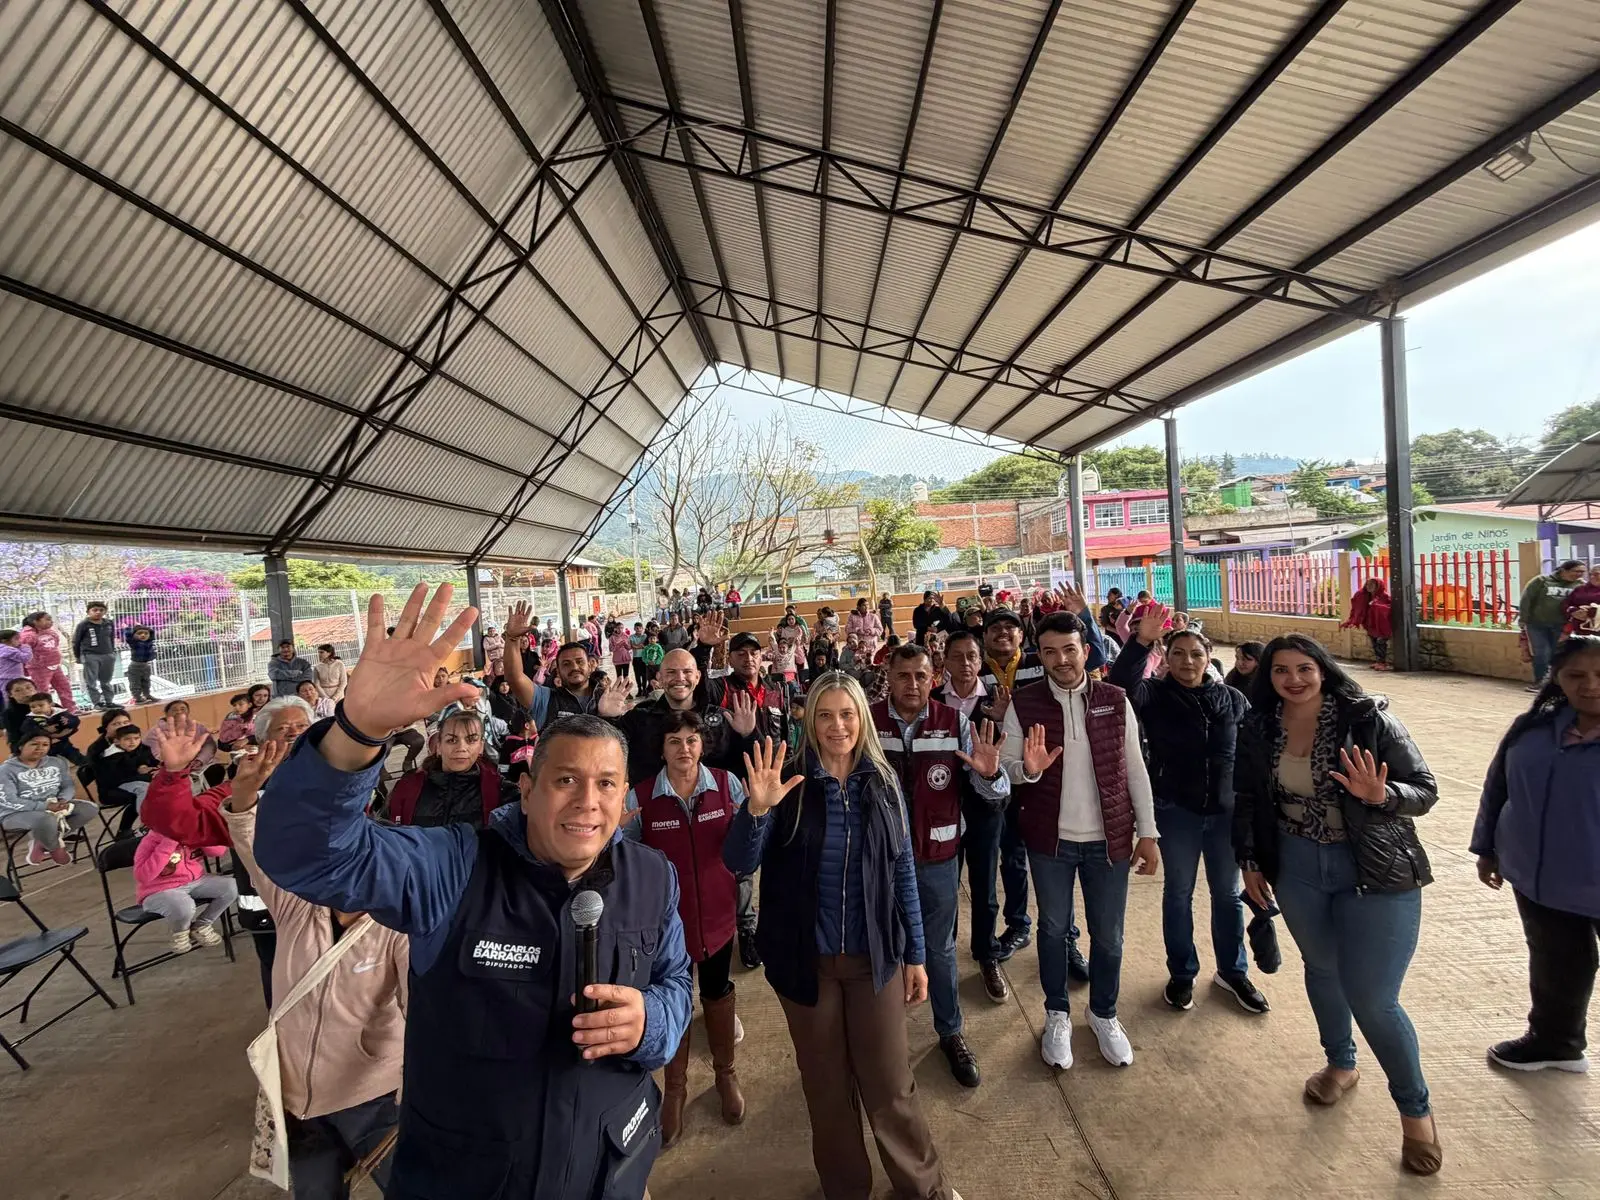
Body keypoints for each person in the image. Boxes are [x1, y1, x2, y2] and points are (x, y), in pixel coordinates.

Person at [253, 584, 692, 1199]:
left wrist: (652, 1023)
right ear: (528, 787)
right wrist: (355, 733)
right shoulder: (454, 868)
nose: (587, 802)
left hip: (609, 1170)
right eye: (565, 780)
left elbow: (675, 984)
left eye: (607, 785)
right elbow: (307, 855)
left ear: (625, 800)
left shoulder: (653, 876)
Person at [724, 674, 964, 1200]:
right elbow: (739, 862)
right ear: (810, 720)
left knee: (889, 1083)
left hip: (872, 957)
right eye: (826, 715)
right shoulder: (786, 783)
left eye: (847, 715)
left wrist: (917, 955)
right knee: (826, 1089)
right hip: (804, 965)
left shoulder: (883, 784)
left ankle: (923, 1189)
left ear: (863, 720)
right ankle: (845, 1188)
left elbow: (903, 873)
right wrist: (755, 810)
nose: (837, 727)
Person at [1233, 634, 1441, 1175]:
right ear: (1269, 677)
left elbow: (1424, 787)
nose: (1294, 680)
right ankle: (1340, 1064)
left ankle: (1415, 1112)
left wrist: (1383, 796)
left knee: (1374, 998)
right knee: (1322, 970)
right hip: (1298, 867)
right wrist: (1250, 860)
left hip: (1374, 869)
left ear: (1323, 670)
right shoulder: (1259, 726)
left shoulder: (1366, 719)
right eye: (1282, 671)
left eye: (1305, 668)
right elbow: (1250, 799)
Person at [1000, 611, 1160, 1070]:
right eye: (1050, 652)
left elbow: (1135, 769)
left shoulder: (1114, 699)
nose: (1061, 659)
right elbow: (1010, 769)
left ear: (1086, 651)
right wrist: (1028, 769)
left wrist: (1147, 832)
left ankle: (1104, 1013)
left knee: (1108, 937)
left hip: (1108, 841)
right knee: (1052, 931)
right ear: (1041, 657)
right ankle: (1057, 1014)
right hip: (1050, 841)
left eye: (1069, 649)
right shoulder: (1024, 704)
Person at [1111, 604, 1269, 1014]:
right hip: (1176, 811)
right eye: (1177, 654)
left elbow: (1253, 754)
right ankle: (1182, 973)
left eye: (1196, 654)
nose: (1187, 662)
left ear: (1209, 656)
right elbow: (1122, 684)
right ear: (1164, 657)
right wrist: (1139, 640)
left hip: (1224, 815)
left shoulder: (1232, 700)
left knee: (1227, 895)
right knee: (1178, 894)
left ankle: (1233, 972)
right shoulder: (1154, 696)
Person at [874, 644, 1009, 1086]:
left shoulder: (955, 724)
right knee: (882, 950)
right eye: (903, 675)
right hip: (880, 862)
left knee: (941, 950)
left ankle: (950, 1031)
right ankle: (884, 1042)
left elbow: (994, 792)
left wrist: (990, 775)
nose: (912, 684)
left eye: (920, 676)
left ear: (934, 679)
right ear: (888, 679)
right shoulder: (866, 723)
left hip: (937, 860)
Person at [1471, 635, 1600, 1074]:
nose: (1590, 685)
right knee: (1555, 962)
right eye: (1576, 675)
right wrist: (1487, 847)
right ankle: (1556, 1042)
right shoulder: (1533, 729)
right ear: (1557, 679)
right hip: (1538, 877)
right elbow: (1498, 786)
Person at [142, 698, 314, 1008]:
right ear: (262, 740)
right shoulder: (239, 791)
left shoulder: (337, 776)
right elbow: (177, 822)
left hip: (336, 907)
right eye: (283, 728)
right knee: (290, 998)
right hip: (273, 917)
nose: (294, 733)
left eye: (302, 726)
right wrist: (174, 773)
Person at [630, 711, 747, 1145]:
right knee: (673, 1000)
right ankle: (674, 1090)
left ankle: (725, 1075)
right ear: (661, 749)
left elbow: (746, 847)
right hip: (664, 929)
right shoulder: (641, 798)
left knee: (717, 992)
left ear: (703, 744)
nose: (684, 748)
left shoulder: (727, 785)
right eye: (674, 740)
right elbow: (626, 863)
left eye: (692, 739)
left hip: (717, 918)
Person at [979, 590, 1107, 975]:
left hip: (1048, 781)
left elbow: (1096, 657)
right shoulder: (973, 669)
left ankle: (1067, 940)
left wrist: (1084, 614)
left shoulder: (1043, 661)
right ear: (984, 636)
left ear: (1024, 636)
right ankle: (1019, 926)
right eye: (995, 627)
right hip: (1000, 782)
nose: (1003, 632)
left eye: (1011, 627)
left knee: (1056, 865)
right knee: (1012, 859)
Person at [387, 709, 515, 830]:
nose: (461, 747)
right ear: (439, 747)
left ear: (481, 747)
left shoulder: (501, 791)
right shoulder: (407, 788)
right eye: (452, 740)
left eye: (471, 740)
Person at [133, 823, 237, 954]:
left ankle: (202, 924)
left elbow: (218, 852)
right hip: (159, 890)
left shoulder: (193, 833)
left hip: (196, 880)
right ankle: (180, 932)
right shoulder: (151, 840)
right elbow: (143, 876)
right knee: (184, 906)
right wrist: (169, 842)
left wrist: (201, 835)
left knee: (232, 887)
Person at [0, 729, 95, 865]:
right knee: (46, 819)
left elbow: (67, 785)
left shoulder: (56, 762)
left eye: (45, 745)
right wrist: (45, 806)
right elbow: (9, 800)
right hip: (15, 813)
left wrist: (63, 799)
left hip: (54, 805)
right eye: (34, 744)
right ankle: (55, 848)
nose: (40, 748)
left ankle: (41, 841)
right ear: (21, 746)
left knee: (89, 809)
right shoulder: (6, 770)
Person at [1520, 560, 1587, 688]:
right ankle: (1541, 682)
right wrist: (1523, 620)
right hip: (1537, 625)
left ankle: (1558, 683)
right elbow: (1526, 600)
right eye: (1577, 571)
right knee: (1541, 654)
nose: (1580, 575)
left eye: (1583, 572)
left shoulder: (1580, 585)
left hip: (1563, 626)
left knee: (1560, 654)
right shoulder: (1541, 581)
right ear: (1564, 570)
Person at [93, 723, 158, 835]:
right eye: (127, 739)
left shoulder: (137, 748)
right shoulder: (112, 756)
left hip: (130, 782)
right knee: (145, 789)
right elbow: (122, 776)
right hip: (113, 788)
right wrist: (146, 774)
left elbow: (145, 760)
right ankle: (146, 823)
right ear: (117, 741)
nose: (133, 742)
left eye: (136, 738)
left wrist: (145, 767)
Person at [20, 611, 75, 713]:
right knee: (42, 691)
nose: (51, 622)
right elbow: (25, 652)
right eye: (48, 619)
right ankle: (44, 712)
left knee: (64, 687)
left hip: (54, 665)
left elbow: (55, 644)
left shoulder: (51, 632)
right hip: (38, 667)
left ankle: (71, 710)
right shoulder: (28, 635)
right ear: (36, 621)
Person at [141, 699, 216, 773]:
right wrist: (178, 763)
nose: (179, 712)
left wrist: (200, 760)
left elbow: (209, 746)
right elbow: (154, 754)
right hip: (168, 769)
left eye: (183, 709)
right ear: (166, 713)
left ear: (188, 712)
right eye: (174, 710)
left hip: (197, 765)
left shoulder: (198, 727)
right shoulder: (156, 731)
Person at [73, 601, 118, 710]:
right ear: (88, 612)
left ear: (105, 611)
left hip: (107, 655)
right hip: (90, 655)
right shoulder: (83, 625)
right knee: (91, 681)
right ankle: (97, 703)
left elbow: (111, 638)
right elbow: (76, 641)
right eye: (95, 610)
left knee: (106, 680)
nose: (98, 612)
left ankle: (109, 702)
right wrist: (78, 656)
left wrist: (112, 652)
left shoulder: (108, 623)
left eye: (101, 610)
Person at [1341, 578, 1394, 671]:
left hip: (1381, 626)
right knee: (1374, 643)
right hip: (1370, 625)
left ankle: (1382, 663)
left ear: (1378, 586)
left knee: (1380, 642)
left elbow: (1389, 608)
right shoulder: (1363, 596)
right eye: (1367, 584)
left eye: (1372, 585)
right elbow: (1357, 607)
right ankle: (1379, 661)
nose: (1369, 586)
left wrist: (1377, 606)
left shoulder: (1384, 596)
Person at [22, 691, 85, 765]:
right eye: (33, 707)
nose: (37, 709)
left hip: (63, 743)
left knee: (77, 757)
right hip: (46, 747)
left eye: (41, 705)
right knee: (49, 764)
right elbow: (26, 729)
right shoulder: (30, 718)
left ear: (50, 705)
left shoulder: (60, 712)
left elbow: (76, 720)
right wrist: (45, 731)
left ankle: (91, 768)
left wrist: (68, 721)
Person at [1562, 564, 1600, 635]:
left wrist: (1590, 612)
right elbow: (1566, 605)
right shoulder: (1580, 589)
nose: (1592, 577)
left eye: (1596, 574)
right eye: (1590, 574)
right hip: (1580, 631)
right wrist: (1573, 611)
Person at [125, 623, 158, 705]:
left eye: (146, 633)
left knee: (146, 682)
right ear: (134, 635)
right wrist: (127, 629)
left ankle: (147, 695)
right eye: (139, 633)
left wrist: (149, 631)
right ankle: (137, 697)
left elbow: (152, 634)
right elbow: (129, 638)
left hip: (146, 665)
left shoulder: (149, 643)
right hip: (135, 666)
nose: (143, 635)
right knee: (135, 682)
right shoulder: (135, 643)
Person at [3, 677, 37, 753]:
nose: (25, 692)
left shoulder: (52, 706)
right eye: (18, 690)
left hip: (57, 744)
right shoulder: (9, 714)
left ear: (35, 690)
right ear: (10, 694)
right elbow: (15, 738)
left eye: (28, 687)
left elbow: (68, 724)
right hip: (25, 749)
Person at [846, 598, 884, 663]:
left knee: (869, 664)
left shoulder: (873, 616)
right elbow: (847, 629)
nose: (866, 607)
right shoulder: (852, 616)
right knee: (857, 664)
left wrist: (871, 631)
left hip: (870, 646)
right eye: (864, 605)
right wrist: (857, 630)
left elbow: (880, 630)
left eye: (867, 605)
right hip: (857, 646)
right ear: (858, 607)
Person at [0, 629, 32, 699]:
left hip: (3, 677)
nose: (19, 641)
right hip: (11, 678)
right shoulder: (9, 650)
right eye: (16, 639)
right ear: (4, 640)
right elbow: (25, 658)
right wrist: (25, 647)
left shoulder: (3, 649)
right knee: (12, 697)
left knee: (5, 697)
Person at [609, 622, 634, 690]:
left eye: (621, 628)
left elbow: (629, 648)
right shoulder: (612, 637)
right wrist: (619, 645)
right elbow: (611, 649)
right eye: (618, 628)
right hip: (617, 659)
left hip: (625, 658)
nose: (620, 629)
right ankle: (618, 692)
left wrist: (626, 645)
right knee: (619, 676)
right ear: (615, 628)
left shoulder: (626, 636)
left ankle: (628, 692)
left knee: (626, 676)